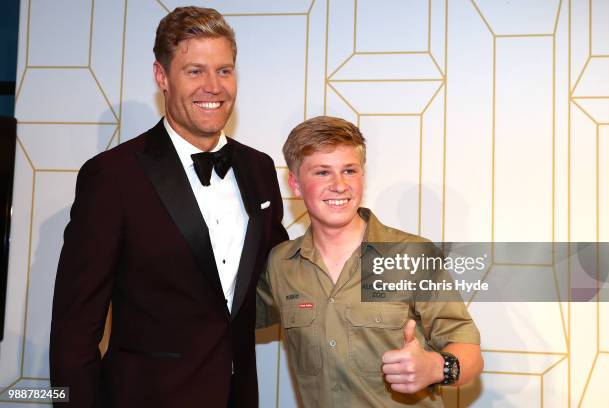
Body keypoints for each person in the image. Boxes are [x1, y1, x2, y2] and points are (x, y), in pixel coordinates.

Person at [50, 7, 287, 408]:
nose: (214, 86)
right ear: (162, 76)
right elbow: (74, 333)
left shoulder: (259, 168)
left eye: (224, 71)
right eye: (195, 71)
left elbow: (280, 274)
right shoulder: (112, 176)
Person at [257, 116, 483, 407]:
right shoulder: (280, 264)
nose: (339, 185)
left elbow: (471, 353)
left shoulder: (413, 254)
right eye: (323, 173)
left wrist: (435, 367)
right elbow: (225, 321)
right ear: (295, 184)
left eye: (349, 171)